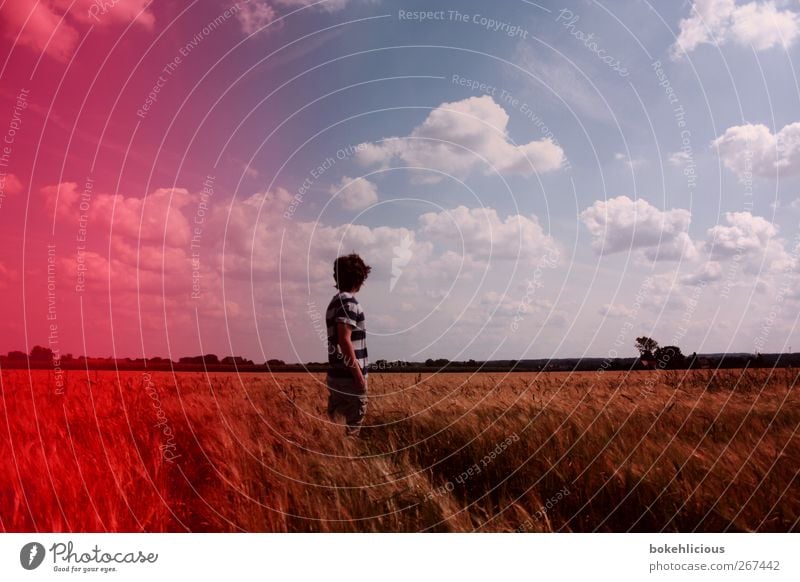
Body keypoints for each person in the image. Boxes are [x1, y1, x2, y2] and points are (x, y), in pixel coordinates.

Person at [325, 253, 371, 436]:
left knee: (336, 435)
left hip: (337, 376)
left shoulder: (334, 301)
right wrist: (359, 376)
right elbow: (344, 340)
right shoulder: (349, 303)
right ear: (359, 278)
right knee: (350, 434)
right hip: (349, 379)